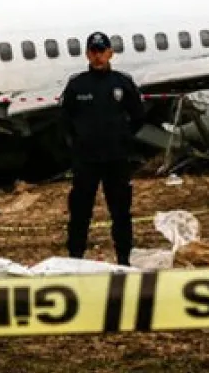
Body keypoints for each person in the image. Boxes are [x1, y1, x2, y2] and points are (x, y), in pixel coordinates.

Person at [59, 31, 145, 266]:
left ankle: (124, 259)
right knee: (80, 213)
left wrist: (124, 138)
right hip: (86, 160)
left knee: (120, 213)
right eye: (94, 52)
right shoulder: (77, 85)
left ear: (110, 53)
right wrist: (76, 145)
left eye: (102, 51)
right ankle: (75, 259)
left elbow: (138, 115)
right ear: (87, 54)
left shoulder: (121, 82)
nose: (98, 57)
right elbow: (65, 119)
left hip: (116, 158)